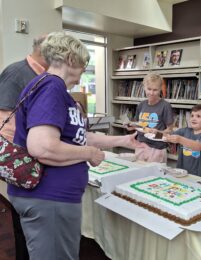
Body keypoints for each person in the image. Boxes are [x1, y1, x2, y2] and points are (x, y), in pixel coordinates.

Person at [7, 32, 143, 260]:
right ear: (71, 59)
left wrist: (123, 141)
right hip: (49, 198)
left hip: (53, 198)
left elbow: (77, 137)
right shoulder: (51, 87)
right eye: (84, 64)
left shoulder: (49, 86)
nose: (83, 73)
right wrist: (89, 154)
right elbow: (43, 147)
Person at [0, 34, 48, 260]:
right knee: (25, 226)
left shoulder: (44, 77)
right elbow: (5, 127)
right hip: (24, 166)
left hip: (36, 163)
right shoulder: (17, 73)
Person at [127, 73, 174, 163]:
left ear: (160, 89)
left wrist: (159, 132)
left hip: (157, 148)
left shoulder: (165, 106)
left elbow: (170, 131)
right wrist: (132, 126)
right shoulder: (141, 105)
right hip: (140, 145)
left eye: (155, 90)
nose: (151, 93)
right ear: (144, 87)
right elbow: (140, 126)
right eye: (149, 89)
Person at [165, 104, 201, 179]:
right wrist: (156, 132)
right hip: (182, 173)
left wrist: (180, 139)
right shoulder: (184, 131)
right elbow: (167, 135)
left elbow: (198, 146)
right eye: (192, 115)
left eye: (198, 116)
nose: (194, 118)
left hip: (200, 177)